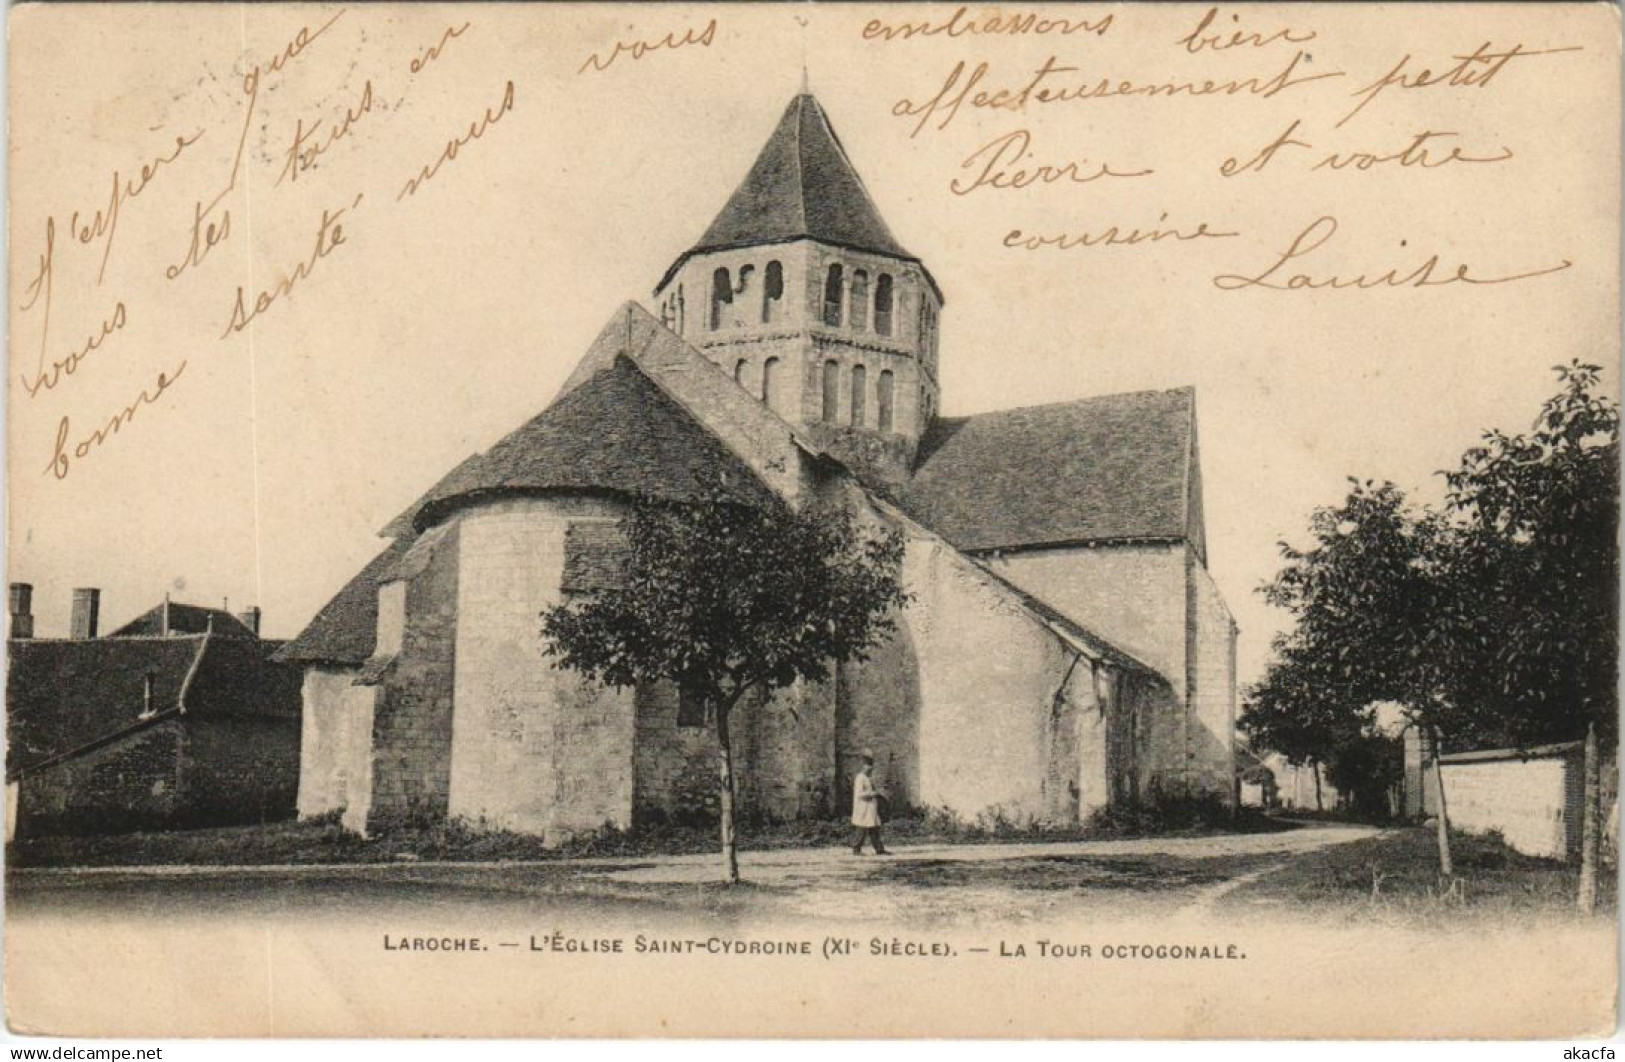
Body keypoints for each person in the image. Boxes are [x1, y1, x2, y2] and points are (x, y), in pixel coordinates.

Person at [850, 751, 888, 855]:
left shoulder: (867, 778)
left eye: (871, 766)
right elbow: (859, 794)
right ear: (863, 766)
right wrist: (873, 793)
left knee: (874, 828)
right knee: (861, 828)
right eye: (867, 766)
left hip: (870, 807)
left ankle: (879, 849)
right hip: (863, 807)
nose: (870, 768)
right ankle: (856, 849)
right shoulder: (860, 778)